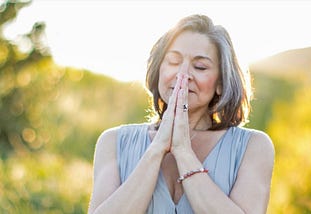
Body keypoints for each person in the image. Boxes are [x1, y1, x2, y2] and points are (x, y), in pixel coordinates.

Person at [88, 14, 274, 214]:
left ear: (220, 83)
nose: (183, 74)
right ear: (159, 69)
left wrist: (183, 152)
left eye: (200, 66)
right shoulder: (113, 142)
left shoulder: (254, 146)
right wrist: (157, 149)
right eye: (174, 61)